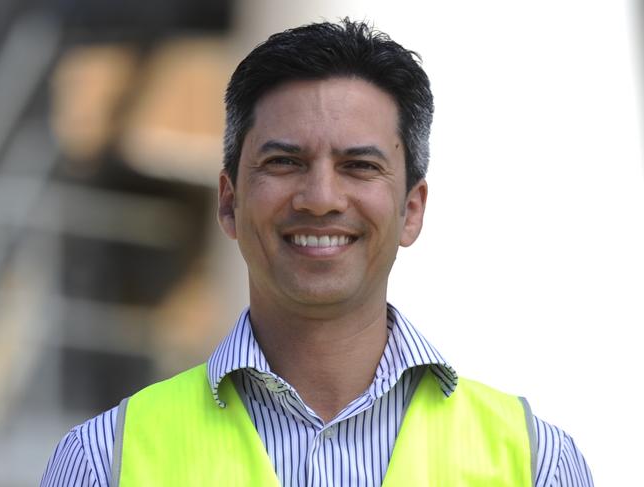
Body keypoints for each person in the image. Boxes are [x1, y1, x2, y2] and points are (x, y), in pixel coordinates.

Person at [41, 19, 593, 487]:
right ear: (229, 203)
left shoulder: (534, 463)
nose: (322, 199)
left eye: (360, 165)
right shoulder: (103, 462)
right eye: (284, 162)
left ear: (413, 209)